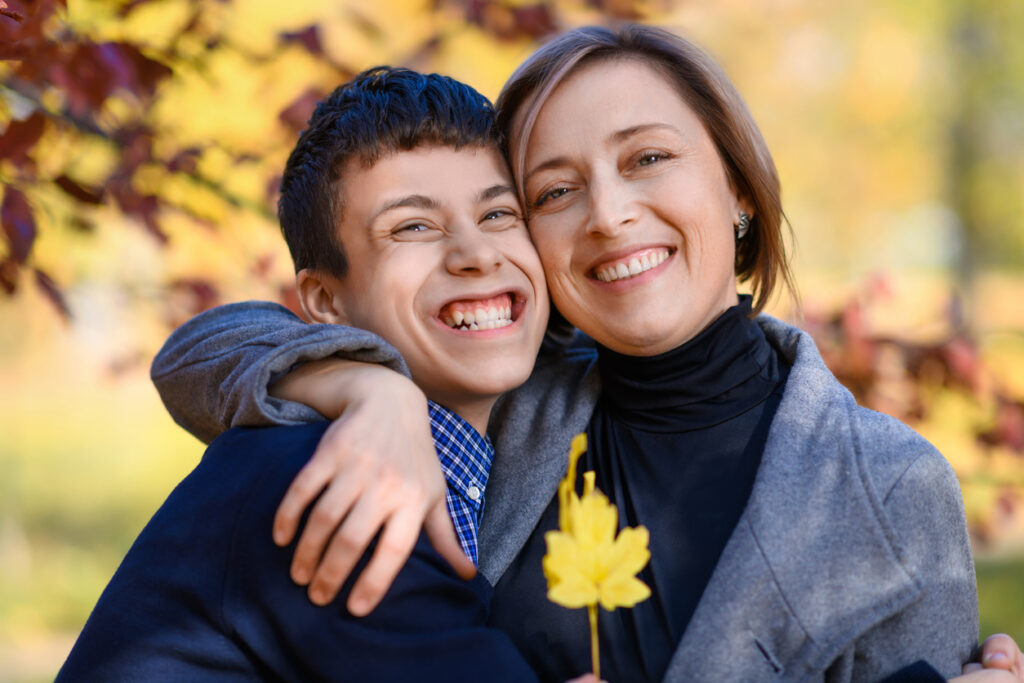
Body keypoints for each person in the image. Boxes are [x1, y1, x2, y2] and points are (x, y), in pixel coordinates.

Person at [151, 26, 1014, 682]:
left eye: (647, 158)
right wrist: (370, 391)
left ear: (739, 189)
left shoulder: (889, 488)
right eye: (555, 191)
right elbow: (203, 348)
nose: (608, 214)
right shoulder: (505, 390)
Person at [56, 66, 555, 681]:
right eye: (413, 227)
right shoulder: (323, 477)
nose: (477, 255)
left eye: (499, 214)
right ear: (324, 302)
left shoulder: (507, 437)